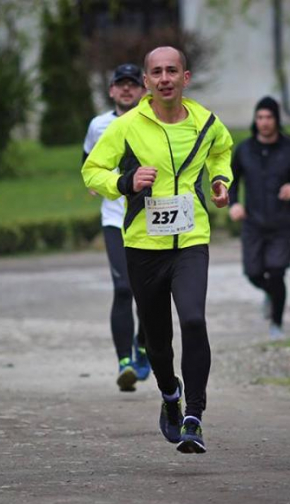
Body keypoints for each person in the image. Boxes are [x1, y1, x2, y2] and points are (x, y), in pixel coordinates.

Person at [82, 46, 233, 454]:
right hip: (143, 245)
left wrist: (220, 180)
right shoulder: (126, 127)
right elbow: (92, 170)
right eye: (156, 72)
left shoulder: (207, 122)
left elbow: (222, 152)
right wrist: (126, 182)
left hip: (190, 241)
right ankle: (170, 396)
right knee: (157, 338)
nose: (164, 78)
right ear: (147, 82)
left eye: (172, 70)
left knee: (194, 320)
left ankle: (194, 417)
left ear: (185, 78)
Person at [82, 64, 150, 391]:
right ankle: (125, 361)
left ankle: (144, 344)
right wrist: (94, 181)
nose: (126, 90)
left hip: (151, 218)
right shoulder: (99, 125)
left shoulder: (153, 121)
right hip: (115, 221)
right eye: (120, 85)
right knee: (124, 289)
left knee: (150, 292)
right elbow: (88, 160)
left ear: (143, 89)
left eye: (132, 85)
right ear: (111, 90)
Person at [228, 96, 290, 339]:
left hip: (282, 223)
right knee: (253, 273)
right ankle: (271, 294)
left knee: (277, 272)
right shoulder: (244, 150)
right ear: (254, 120)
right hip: (252, 223)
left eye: (268, 117)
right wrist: (234, 203)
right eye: (259, 117)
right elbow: (231, 181)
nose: (264, 122)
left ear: (276, 119)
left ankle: (276, 325)